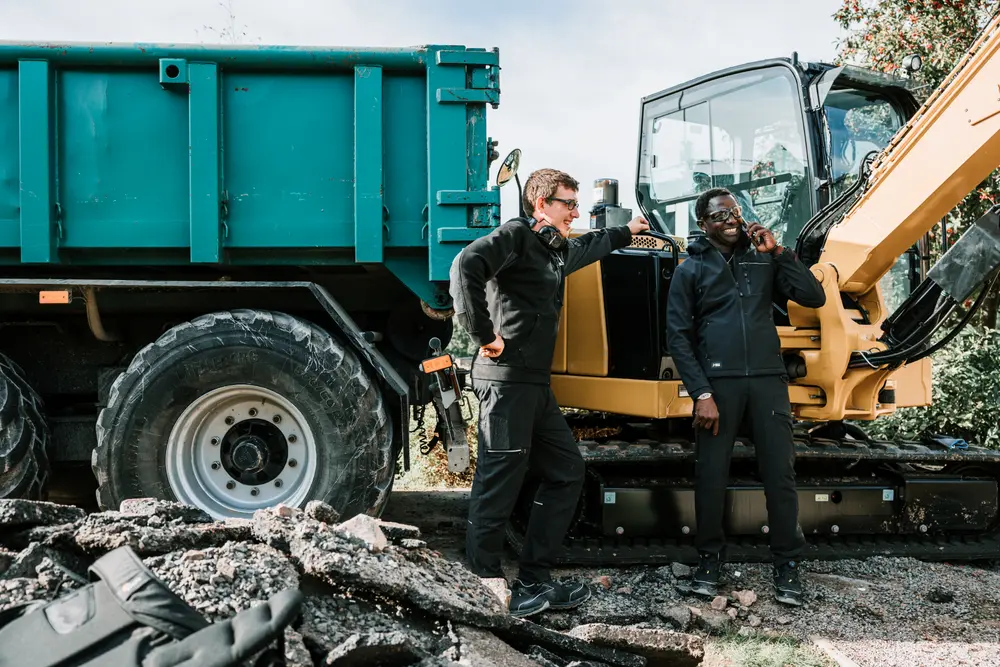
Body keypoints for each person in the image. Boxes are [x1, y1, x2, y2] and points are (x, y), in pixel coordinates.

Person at [449, 168, 649, 618]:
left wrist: (627, 231)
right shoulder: (517, 236)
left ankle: (535, 579)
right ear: (541, 203)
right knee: (499, 481)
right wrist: (484, 335)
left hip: (534, 383)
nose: (576, 213)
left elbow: (587, 247)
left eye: (577, 205)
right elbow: (466, 266)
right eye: (568, 204)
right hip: (505, 380)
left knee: (566, 471)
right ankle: (484, 588)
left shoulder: (554, 249)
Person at [665, 187, 827, 607]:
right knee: (711, 476)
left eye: (734, 211)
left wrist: (779, 253)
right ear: (704, 224)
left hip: (769, 382)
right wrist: (701, 392)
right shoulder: (691, 269)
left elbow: (813, 296)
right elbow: (678, 339)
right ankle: (709, 562)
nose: (730, 219)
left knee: (780, 475)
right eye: (720, 215)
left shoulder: (762, 258)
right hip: (719, 388)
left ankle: (788, 566)